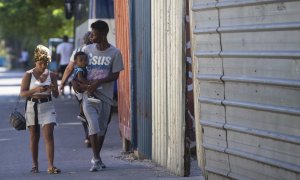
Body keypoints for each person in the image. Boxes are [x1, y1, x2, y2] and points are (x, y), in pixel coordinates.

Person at [72, 20, 124, 172]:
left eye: (94, 34)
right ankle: (95, 159)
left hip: (105, 96)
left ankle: (97, 157)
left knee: (102, 129)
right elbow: (78, 68)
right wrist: (75, 82)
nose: (91, 36)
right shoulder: (87, 49)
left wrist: (99, 81)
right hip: (89, 95)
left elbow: (115, 75)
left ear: (103, 34)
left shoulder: (115, 53)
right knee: (93, 125)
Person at [20, 45, 60, 174]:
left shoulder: (52, 75)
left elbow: (56, 95)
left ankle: (50, 165)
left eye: (45, 63)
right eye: (40, 63)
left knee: (48, 135)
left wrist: (54, 89)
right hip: (32, 106)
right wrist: (36, 90)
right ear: (35, 61)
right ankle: (35, 165)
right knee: (34, 137)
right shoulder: (28, 75)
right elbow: (22, 94)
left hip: (47, 106)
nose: (43, 66)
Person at [60, 31, 93, 147]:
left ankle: (88, 136)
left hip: (81, 87)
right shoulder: (99, 50)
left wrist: (62, 83)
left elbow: (69, 68)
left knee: (84, 110)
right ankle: (92, 135)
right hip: (96, 86)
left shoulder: (79, 50)